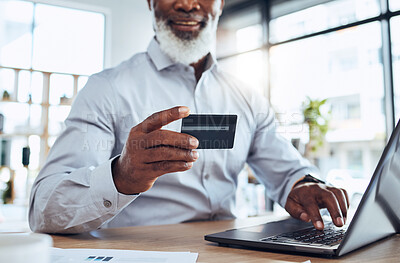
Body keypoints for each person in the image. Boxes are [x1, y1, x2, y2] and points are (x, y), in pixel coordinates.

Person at [29, 0, 349, 234]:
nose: (186, 4)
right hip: (142, 254)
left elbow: (287, 171)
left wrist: (305, 185)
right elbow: (43, 210)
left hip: (231, 252)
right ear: (150, 2)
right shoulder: (106, 89)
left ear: (221, 3)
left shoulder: (248, 97)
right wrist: (121, 176)